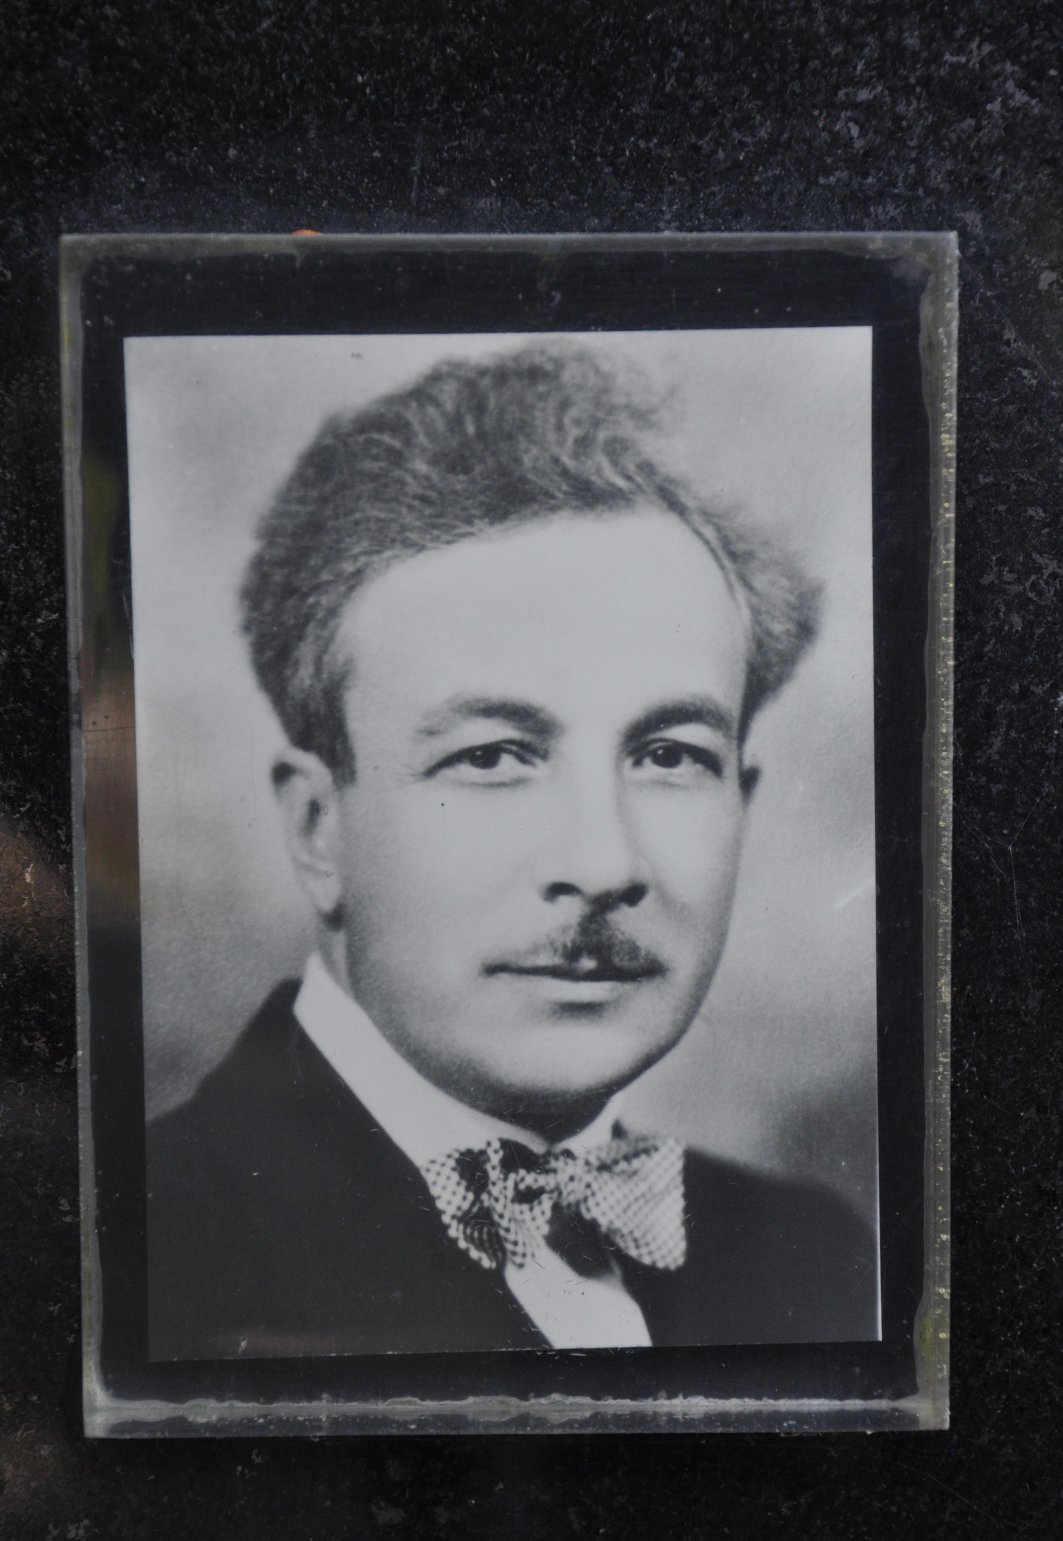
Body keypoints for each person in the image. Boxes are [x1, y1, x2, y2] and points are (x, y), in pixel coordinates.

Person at [147, 341, 878, 1360]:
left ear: (742, 804)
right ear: (318, 828)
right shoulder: (146, 1255)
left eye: (670, 755)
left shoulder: (819, 1259)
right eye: (491, 756)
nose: (605, 863)